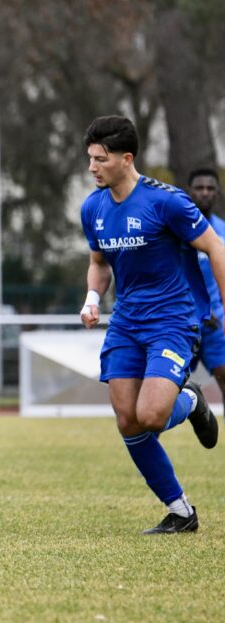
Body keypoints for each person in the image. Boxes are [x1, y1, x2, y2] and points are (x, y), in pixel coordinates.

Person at [79, 115, 225, 535]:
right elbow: (98, 263)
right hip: (126, 322)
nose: (92, 168)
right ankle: (180, 511)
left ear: (127, 159)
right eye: (89, 159)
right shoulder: (93, 207)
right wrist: (92, 300)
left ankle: (192, 401)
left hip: (172, 321)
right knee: (128, 419)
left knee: (152, 414)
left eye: (100, 160)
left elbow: (215, 247)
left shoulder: (167, 202)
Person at [186, 168, 225, 401]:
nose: (205, 193)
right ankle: (151, 437)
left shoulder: (222, 232)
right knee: (166, 388)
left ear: (217, 193)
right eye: (199, 188)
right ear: (189, 192)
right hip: (182, 322)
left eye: (210, 188)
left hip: (215, 325)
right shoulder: (176, 231)